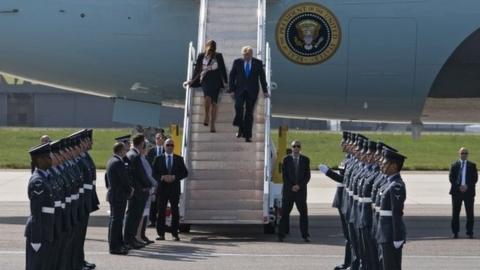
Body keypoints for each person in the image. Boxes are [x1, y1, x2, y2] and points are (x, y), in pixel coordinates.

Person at [319, 131, 352, 269]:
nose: (341, 144)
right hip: (341, 198)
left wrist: (328, 173)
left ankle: (351, 263)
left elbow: (346, 180)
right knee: (347, 235)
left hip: (346, 198)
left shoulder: (352, 161)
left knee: (350, 236)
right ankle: (347, 262)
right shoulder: (346, 159)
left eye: (343, 142)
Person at [228, 45, 269, 142]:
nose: (246, 57)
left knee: (249, 113)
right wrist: (232, 90)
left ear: (251, 55)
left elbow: (262, 78)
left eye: (248, 55)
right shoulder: (237, 62)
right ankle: (240, 126)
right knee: (238, 107)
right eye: (244, 55)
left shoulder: (258, 63)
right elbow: (232, 76)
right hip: (240, 90)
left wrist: (265, 91)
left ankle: (247, 135)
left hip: (252, 91)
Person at [25, 143, 55, 270]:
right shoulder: (38, 182)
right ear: (40, 160)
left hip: (45, 229)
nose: (51, 159)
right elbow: (36, 212)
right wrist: (36, 238)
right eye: (48, 157)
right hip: (39, 231)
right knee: (36, 266)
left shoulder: (45, 177)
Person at [376, 149, 407, 270]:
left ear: (393, 166)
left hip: (390, 235)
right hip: (384, 233)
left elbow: (397, 213)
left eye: (385, 162)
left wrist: (397, 237)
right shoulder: (388, 183)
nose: (382, 164)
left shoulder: (396, 185)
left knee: (391, 267)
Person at [188, 40, 228, 132]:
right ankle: (206, 115)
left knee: (214, 103)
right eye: (210, 48)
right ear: (206, 47)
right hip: (205, 79)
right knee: (207, 98)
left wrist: (225, 82)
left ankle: (212, 124)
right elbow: (197, 69)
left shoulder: (218, 56)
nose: (211, 50)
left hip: (216, 80)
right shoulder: (201, 56)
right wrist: (193, 80)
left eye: (213, 48)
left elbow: (222, 69)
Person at [152, 138, 188, 241]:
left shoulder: (179, 159)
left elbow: (185, 172)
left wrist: (174, 177)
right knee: (161, 211)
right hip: (162, 189)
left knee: (175, 211)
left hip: (174, 189)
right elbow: (153, 173)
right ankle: (161, 234)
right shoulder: (158, 159)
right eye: (168, 145)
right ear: (164, 146)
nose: (170, 147)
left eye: (172, 145)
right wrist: (162, 177)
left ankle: (174, 233)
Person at [278, 140, 311, 242]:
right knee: (284, 214)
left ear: (300, 148)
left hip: (300, 192)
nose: (296, 148)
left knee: (303, 214)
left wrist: (299, 186)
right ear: (291, 148)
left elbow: (307, 176)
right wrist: (292, 186)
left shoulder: (305, 160)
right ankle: (281, 235)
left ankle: (305, 235)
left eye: (298, 146)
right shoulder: (286, 160)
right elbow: (284, 176)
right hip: (289, 191)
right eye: (294, 146)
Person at [124, 134, 152, 249]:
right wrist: (149, 184)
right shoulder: (135, 156)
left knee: (134, 216)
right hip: (138, 191)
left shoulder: (132, 154)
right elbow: (140, 174)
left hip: (137, 191)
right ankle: (129, 239)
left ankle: (131, 238)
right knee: (134, 216)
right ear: (141, 144)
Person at [106, 143, 132, 255]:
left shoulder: (111, 161)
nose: (126, 152)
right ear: (121, 150)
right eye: (125, 150)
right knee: (117, 221)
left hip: (114, 194)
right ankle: (114, 246)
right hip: (118, 195)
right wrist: (130, 189)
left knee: (115, 220)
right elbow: (124, 180)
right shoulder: (118, 163)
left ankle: (117, 243)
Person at [449, 147, 478, 239]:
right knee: (455, 213)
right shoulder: (454, 165)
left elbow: (475, 178)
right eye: (462, 153)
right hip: (456, 192)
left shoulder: (472, 165)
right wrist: (459, 187)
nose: (464, 155)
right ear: (459, 154)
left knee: (470, 213)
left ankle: (469, 232)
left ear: (468, 155)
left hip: (468, 192)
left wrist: (467, 186)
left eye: (466, 153)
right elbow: (451, 178)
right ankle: (455, 232)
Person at [135, 142, 156, 245]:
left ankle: (141, 235)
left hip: (148, 190)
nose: (148, 149)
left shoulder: (144, 158)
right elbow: (146, 175)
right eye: (147, 147)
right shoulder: (141, 159)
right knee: (141, 215)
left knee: (145, 215)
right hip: (144, 189)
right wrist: (154, 183)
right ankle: (138, 236)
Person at [146, 132, 165, 227]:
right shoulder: (151, 151)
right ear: (155, 140)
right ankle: (152, 220)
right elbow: (148, 165)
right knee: (153, 200)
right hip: (153, 179)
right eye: (158, 138)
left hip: (163, 180)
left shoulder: (167, 150)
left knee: (161, 201)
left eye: (161, 137)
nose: (160, 139)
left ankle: (160, 220)